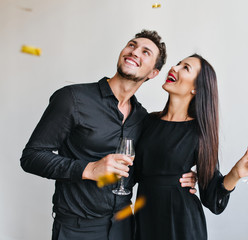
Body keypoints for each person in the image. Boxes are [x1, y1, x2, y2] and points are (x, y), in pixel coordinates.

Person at [20, 30, 196, 240]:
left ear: (153, 73)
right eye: (131, 45)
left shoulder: (143, 119)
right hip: (76, 229)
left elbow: (142, 170)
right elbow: (31, 157)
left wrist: (183, 177)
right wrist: (88, 169)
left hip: (124, 226)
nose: (134, 52)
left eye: (145, 52)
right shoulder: (72, 98)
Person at [133, 54, 248, 240]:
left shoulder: (199, 132)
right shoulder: (147, 121)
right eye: (177, 64)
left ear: (196, 89)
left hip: (181, 224)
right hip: (145, 218)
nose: (174, 68)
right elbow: (131, 171)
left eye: (185, 68)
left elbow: (212, 198)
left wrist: (236, 173)